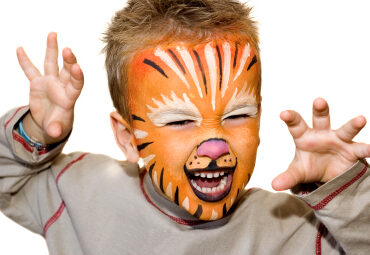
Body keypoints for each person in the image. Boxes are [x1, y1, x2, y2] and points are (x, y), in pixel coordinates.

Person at [1, 0, 370, 254]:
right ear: (127, 138)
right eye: (179, 120)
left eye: (237, 115)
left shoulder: (296, 227)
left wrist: (346, 192)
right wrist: (34, 129)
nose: (214, 145)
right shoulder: (79, 191)